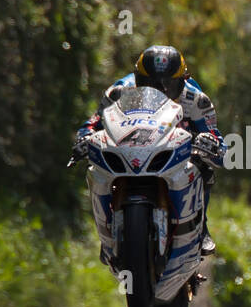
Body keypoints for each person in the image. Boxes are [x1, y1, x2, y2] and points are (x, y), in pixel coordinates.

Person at [72, 45, 225, 255]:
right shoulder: (118, 92)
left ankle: (201, 227)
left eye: (168, 85)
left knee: (205, 168)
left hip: (174, 155)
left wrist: (210, 144)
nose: (160, 90)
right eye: (150, 84)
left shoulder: (196, 99)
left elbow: (217, 140)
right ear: (137, 79)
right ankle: (108, 231)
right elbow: (93, 123)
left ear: (183, 80)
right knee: (95, 168)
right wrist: (85, 138)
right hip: (128, 150)